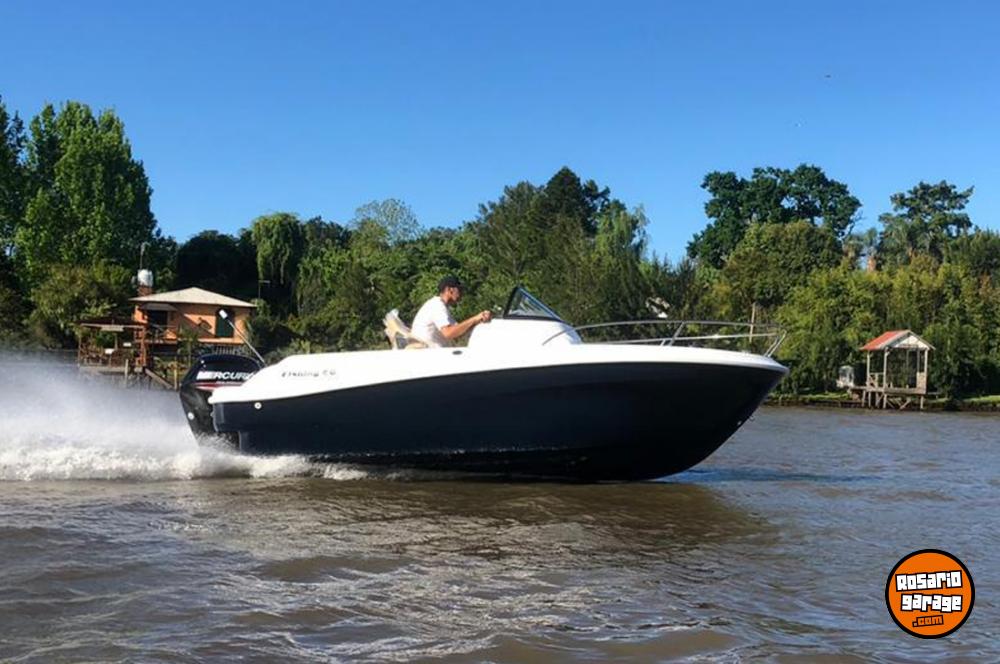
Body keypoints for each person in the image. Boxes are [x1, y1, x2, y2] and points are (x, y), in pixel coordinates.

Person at [410, 276, 491, 348]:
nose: (462, 293)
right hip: (428, 355)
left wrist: (478, 321)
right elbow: (449, 333)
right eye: (459, 289)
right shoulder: (437, 305)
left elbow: (458, 334)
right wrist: (474, 319)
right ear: (449, 290)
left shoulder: (439, 306)